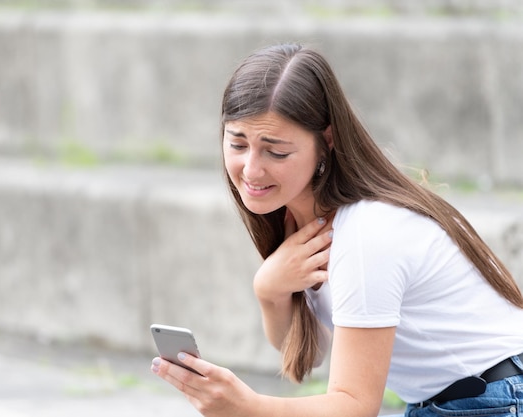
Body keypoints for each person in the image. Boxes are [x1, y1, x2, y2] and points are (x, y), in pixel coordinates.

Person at [150, 43, 523, 417]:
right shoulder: (298, 216)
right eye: (237, 143)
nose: (251, 169)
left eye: (275, 152)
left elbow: (355, 408)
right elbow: (307, 353)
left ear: (326, 142)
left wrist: (246, 407)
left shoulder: (367, 231)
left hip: (496, 400)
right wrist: (270, 290)